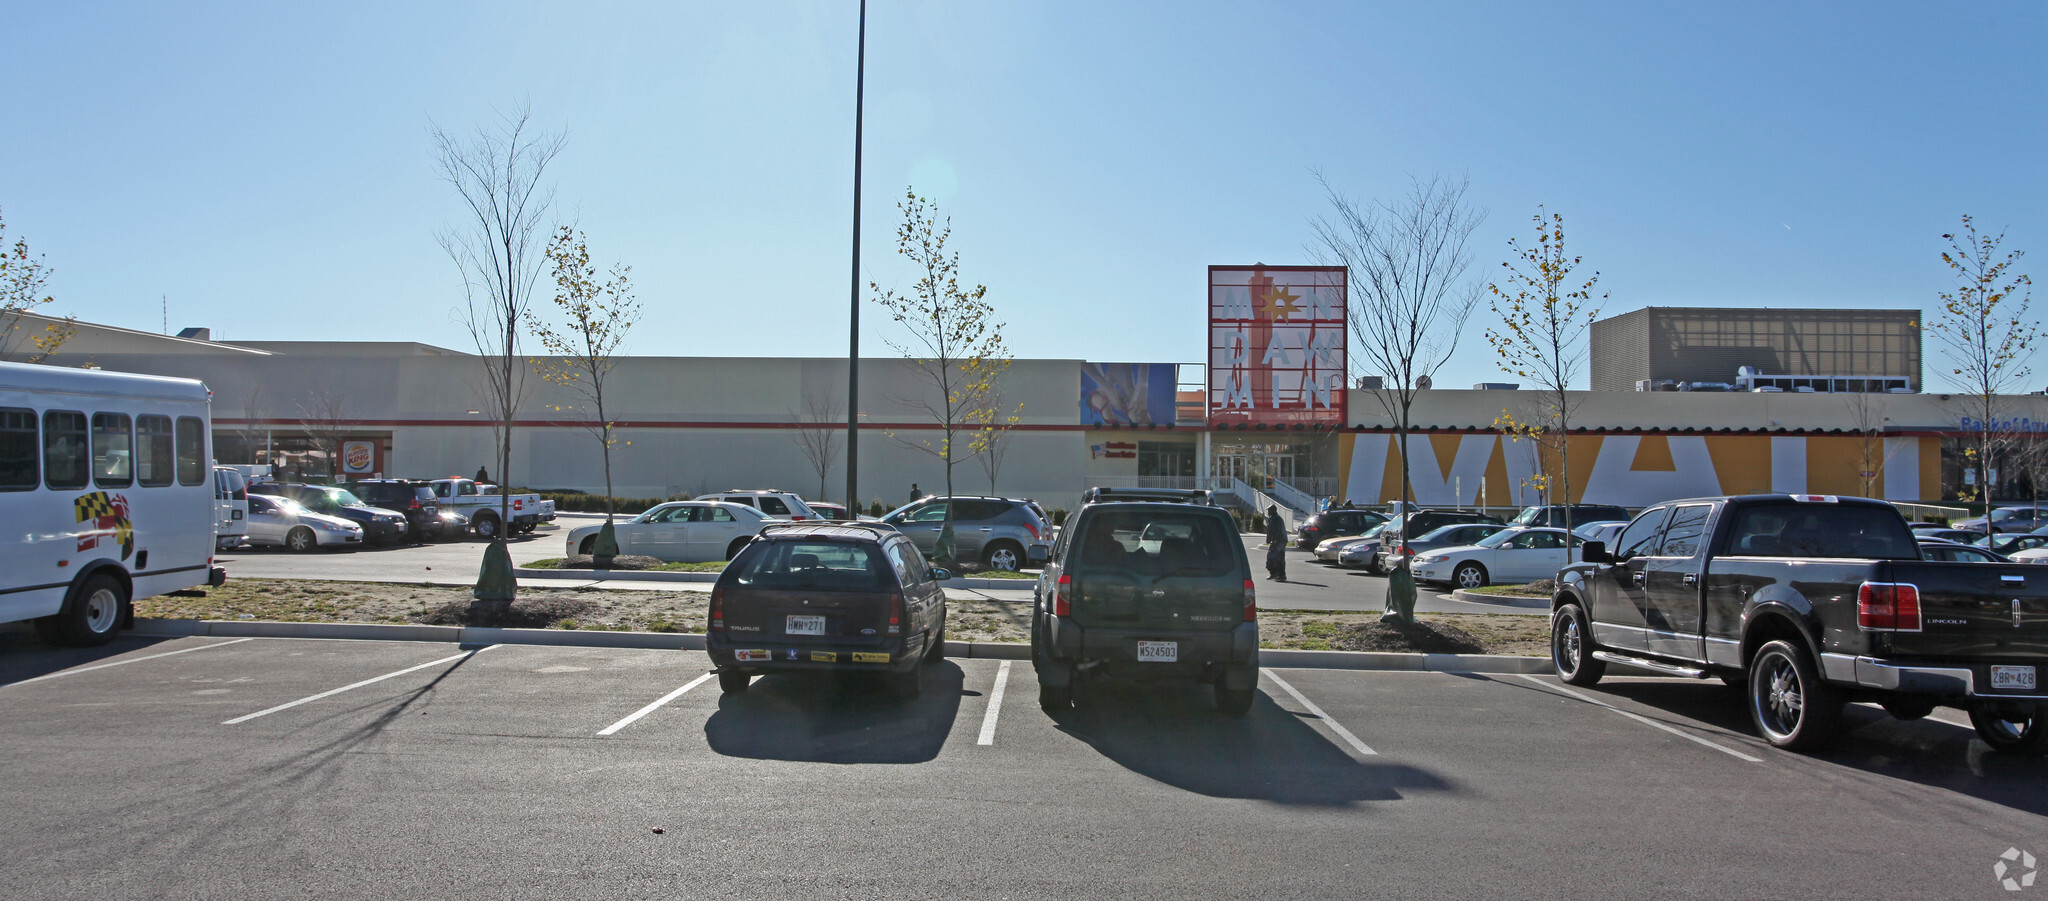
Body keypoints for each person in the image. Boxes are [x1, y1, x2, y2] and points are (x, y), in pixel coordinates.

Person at [1264, 505, 1288, 582]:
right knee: (1279, 557)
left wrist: (1274, 541)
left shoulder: (1275, 519)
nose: (1268, 512)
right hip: (1281, 540)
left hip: (1279, 541)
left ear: (1273, 510)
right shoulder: (1275, 518)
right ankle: (1280, 574)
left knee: (1275, 557)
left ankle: (1276, 574)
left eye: (1269, 510)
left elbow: (1276, 531)